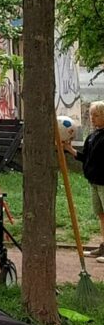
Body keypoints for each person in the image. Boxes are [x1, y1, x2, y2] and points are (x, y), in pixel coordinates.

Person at [76, 101, 104, 259]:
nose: (92, 118)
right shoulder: (92, 136)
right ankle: (103, 247)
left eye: (96, 115)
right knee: (101, 215)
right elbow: (84, 157)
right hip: (94, 182)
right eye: (91, 115)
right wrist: (68, 149)